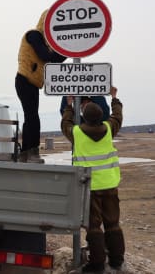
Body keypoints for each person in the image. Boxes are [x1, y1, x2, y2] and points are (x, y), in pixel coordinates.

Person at [61, 86, 125, 273]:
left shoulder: (76, 133)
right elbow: (118, 115)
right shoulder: (109, 128)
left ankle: (97, 264)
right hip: (110, 184)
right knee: (113, 224)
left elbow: (65, 123)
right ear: (100, 117)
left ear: (85, 117)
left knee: (94, 228)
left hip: (90, 187)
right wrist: (114, 98)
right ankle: (116, 261)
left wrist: (69, 105)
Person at [16, 9, 66, 163]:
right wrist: (64, 51)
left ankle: (25, 153)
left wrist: (67, 50)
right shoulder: (34, 35)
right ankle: (32, 153)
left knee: (30, 117)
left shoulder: (43, 42)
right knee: (33, 118)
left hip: (30, 83)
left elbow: (54, 58)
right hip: (25, 80)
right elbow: (47, 56)